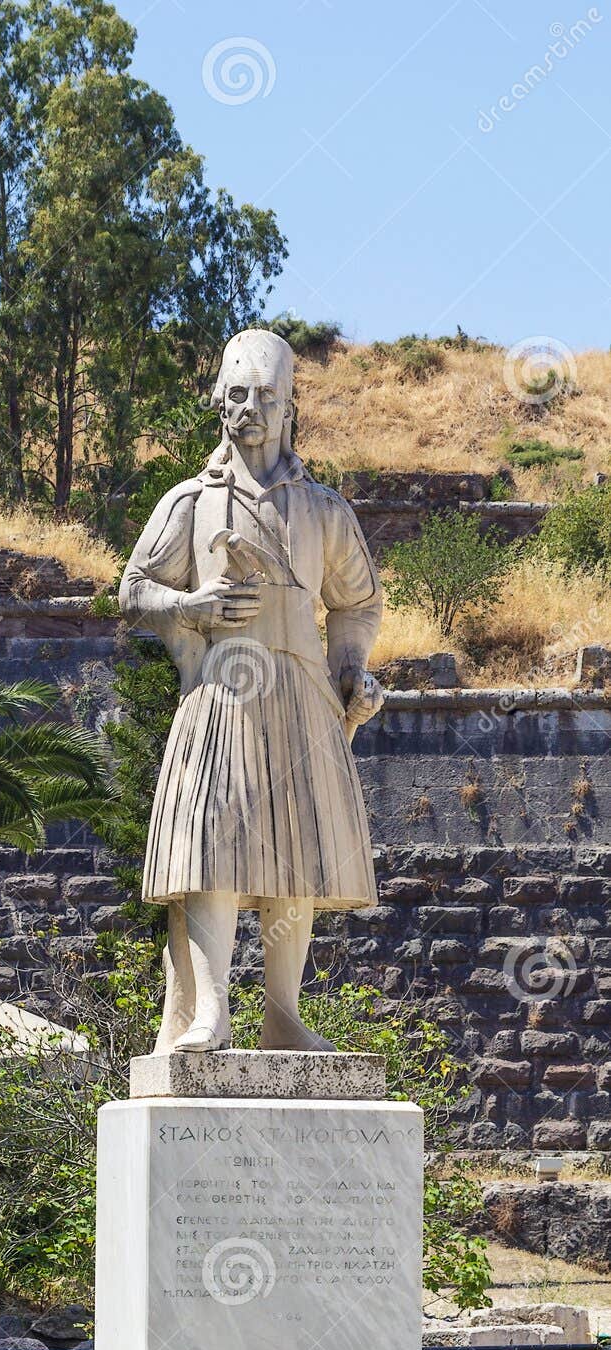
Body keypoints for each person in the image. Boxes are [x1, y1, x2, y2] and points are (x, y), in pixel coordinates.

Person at [119, 329, 385, 1053]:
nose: (251, 409)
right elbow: (134, 587)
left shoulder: (325, 510)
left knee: (296, 849)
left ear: (290, 405)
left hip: (300, 694)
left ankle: (284, 1014)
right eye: (238, 395)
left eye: (266, 396)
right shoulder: (191, 500)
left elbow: (358, 604)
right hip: (221, 690)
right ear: (218, 403)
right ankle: (211, 1014)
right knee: (213, 847)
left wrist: (350, 667)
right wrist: (192, 607)